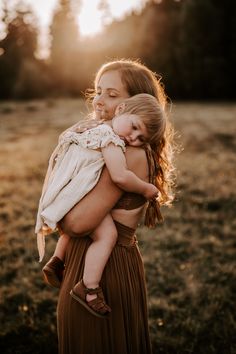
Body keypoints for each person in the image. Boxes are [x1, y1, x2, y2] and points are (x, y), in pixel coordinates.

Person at [56, 59, 175, 354]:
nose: (99, 100)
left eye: (112, 94)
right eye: (98, 91)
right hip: (94, 259)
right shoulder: (112, 144)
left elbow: (76, 224)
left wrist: (57, 207)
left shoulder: (129, 153)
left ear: (132, 103)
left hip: (104, 269)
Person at [35, 93, 164, 318]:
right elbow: (120, 176)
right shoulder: (110, 138)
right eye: (134, 127)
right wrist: (146, 189)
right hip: (78, 191)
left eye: (140, 138)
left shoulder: (94, 127)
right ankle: (90, 288)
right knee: (107, 236)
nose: (132, 138)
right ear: (122, 108)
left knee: (84, 218)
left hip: (67, 190)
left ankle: (56, 261)